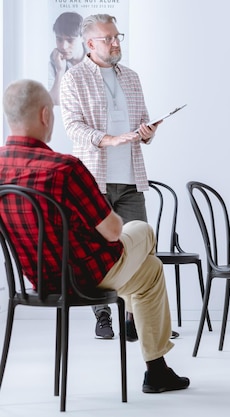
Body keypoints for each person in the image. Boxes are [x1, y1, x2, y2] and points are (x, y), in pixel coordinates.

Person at [1, 79, 190, 394]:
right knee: (140, 230)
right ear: (46, 115)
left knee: (150, 270)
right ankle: (148, 353)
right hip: (86, 277)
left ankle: (157, 369)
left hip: (37, 281)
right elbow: (114, 232)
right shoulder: (65, 168)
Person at [59, 14, 164, 341]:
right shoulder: (73, 78)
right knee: (96, 251)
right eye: (109, 38)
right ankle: (103, 316)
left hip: (132, 179)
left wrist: (147, 133)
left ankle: (134, 320)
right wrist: (109, 139)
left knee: (142, 248)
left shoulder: (131, 77)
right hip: (94, 181)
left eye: (118, 36)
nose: (116, 42)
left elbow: (143, 121)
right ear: (91, 44)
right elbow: (73, 126)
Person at [48, 12, 87, 106]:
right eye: (59, 39)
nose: (64, 47)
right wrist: (60, 71)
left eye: (70, 40)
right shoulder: (52, 65)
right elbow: (54, 105)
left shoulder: (98, 62)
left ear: (83, 37)